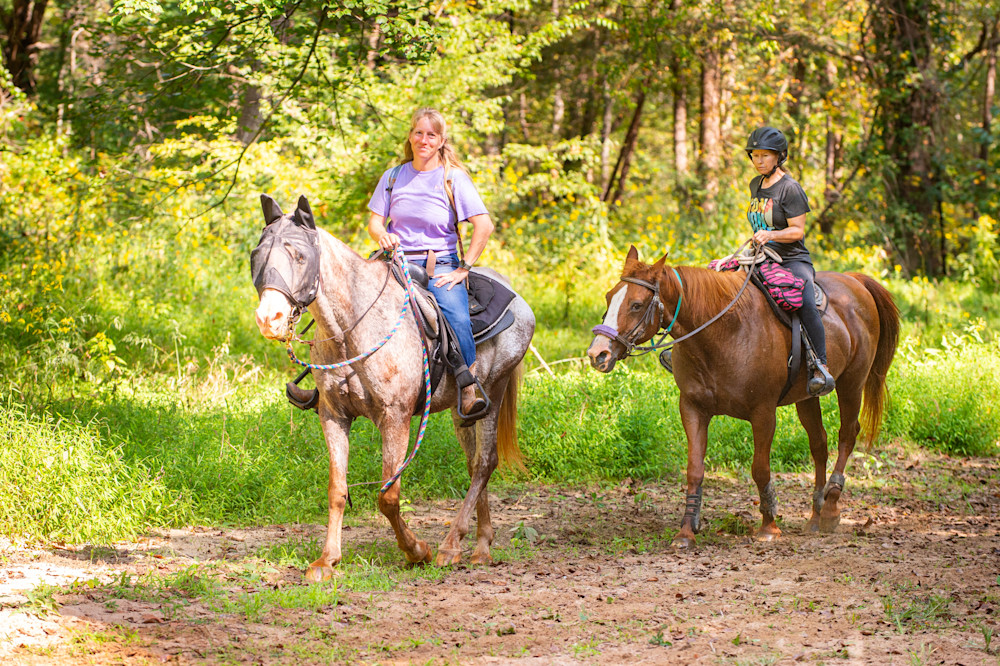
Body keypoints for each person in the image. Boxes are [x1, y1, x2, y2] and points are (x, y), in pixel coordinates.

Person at [366, 108, 496, 417]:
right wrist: (382, 235)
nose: (424, 140)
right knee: (349, 300)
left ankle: (467, 388)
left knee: (457, 317)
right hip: (394, 261)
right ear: (410, 136)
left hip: (439, 265)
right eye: (419, 133)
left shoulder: (453, 178)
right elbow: (374, 223)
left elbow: (484, 226)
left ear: (441, 141)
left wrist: (464, 268)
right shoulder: (393, 177)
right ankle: (327, 386)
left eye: (431, 135)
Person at [745, 126, 835, 397]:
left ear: (779, 156)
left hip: (791, 260)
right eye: (755, 155)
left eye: (765, 155)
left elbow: (797, 231)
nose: (759, 160)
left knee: (805, 302)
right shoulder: (755, 184)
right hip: (761, 256)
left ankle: (820, 365)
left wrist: (771, 235)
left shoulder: (790, 189)